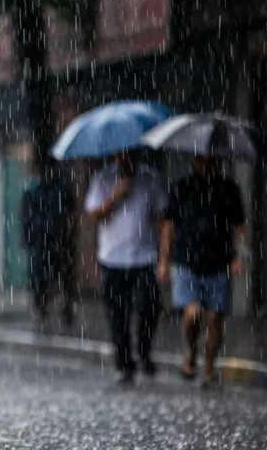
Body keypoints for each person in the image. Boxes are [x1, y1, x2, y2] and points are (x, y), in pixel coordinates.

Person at [157, 156, 246, 387]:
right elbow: (168, 225)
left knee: (215, 318)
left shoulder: (228, 189)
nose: (206, 165)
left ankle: (208, 368)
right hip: (186, 262)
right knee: (193, 312)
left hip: (218, 263)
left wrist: (239, 255)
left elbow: (238, 226)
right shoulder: (182, 188)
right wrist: (163, 261)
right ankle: (191, 349)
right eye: (201, 160)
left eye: (210, 161)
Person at [84, 151, 167, 384]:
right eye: (120, 155)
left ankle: (143, 349)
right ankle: (124, 362)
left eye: (130, 154)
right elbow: (93, 215)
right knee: (117, 315)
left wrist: (163, 258)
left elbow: (163, 218)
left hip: (144, 257)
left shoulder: (150, 178)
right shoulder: (102, 179)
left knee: (149, 307)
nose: (125, 159)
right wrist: (117, 194)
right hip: (112, 259)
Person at [21, 156, 76, 331]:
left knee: (59, 276)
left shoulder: (59, 188)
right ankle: (44, 308)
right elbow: (26, 216)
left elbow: (70, 214)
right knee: (42, 277)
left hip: (56, 240)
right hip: (43, 241)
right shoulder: (33, 189)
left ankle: (60, 307)